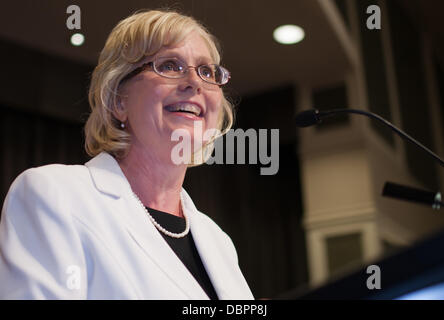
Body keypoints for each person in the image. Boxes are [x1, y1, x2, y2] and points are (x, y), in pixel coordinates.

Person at [0, 9, 254, 300]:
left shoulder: (217, 241)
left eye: (207, 71)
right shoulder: (53, 195)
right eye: (170, 65)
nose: (195, 83)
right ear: (119, 100)